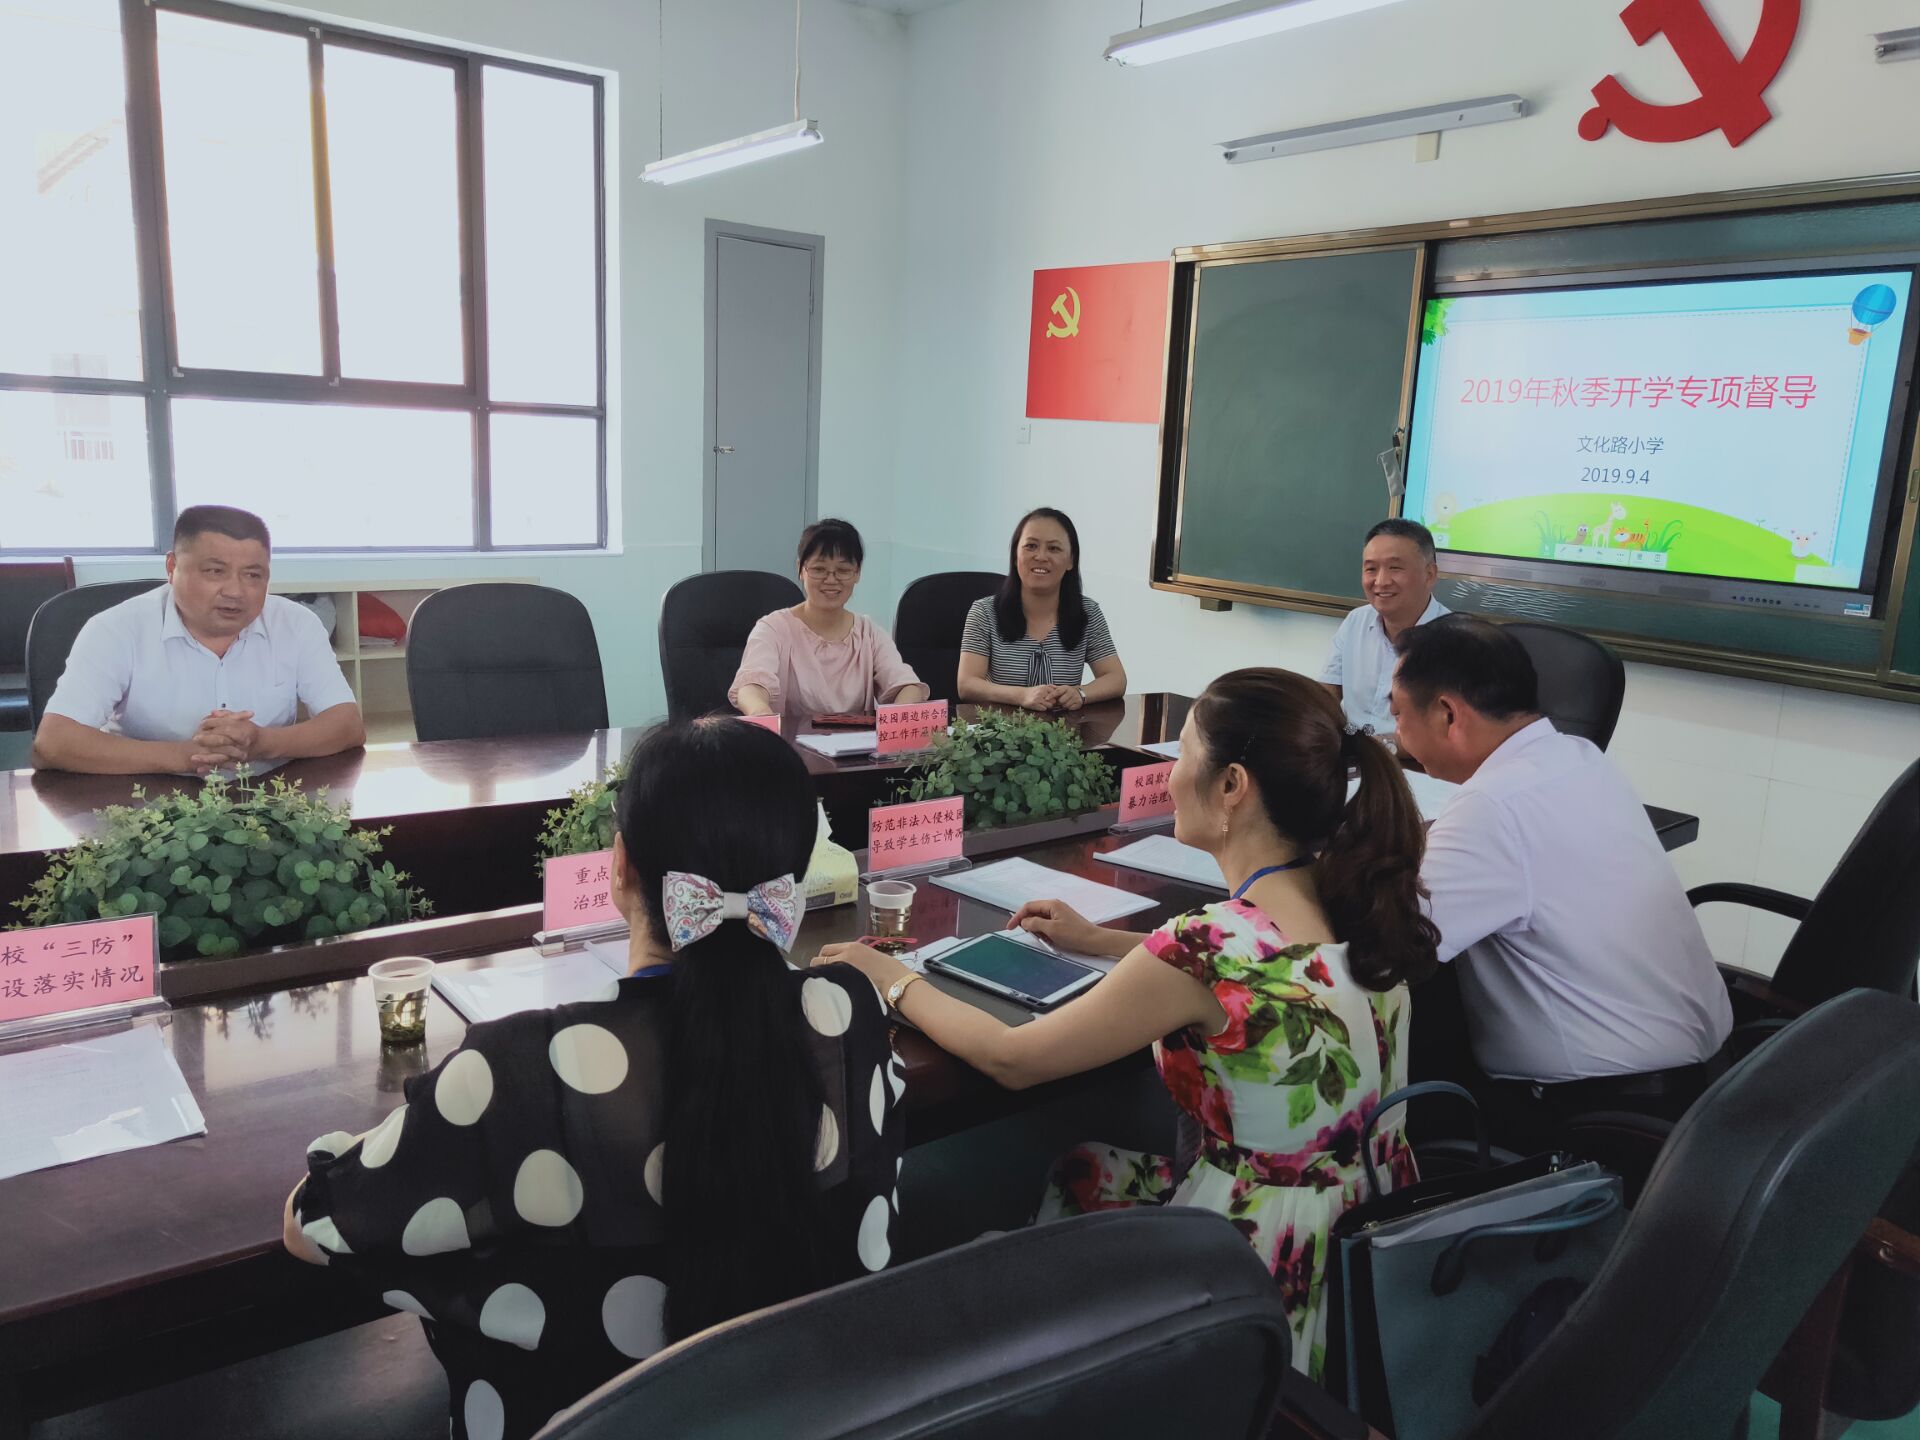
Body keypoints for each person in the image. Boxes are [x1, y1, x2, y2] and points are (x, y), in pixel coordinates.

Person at [284, 719, 905, 1440]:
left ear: (620, 866)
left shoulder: (512, 1070)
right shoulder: (854, 1015)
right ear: (793, 879)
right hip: (809, 1414)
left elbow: (316, 1224)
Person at [816, 668, 1437, 1381]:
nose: (1170, 775)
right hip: (1374, 1241)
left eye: (1185, 752)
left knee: (1073, 1180)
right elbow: (1263, 976)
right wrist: (1104, 941)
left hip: (1253, 1258)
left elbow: (1013, 1057)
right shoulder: (1359, 906)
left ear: (1232, 786)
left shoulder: (1206, 947)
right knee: (1083, 1168)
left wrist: (889, 978)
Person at [1390, 615, 1733, 1140]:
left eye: (1398, 713)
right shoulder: (1577, 756)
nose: (1396, 734)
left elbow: (1391, 948)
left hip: (1599, 1115)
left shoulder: (1491, 808)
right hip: (1705, 1077)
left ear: (1447, 714)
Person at [31, 505, 363, 775]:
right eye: (215, 571)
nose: (235, 591)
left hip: (266, 800)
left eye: (253, 575)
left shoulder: (297, 624)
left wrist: (262, 743)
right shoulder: (115, 629)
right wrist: (188, 756)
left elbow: (347, 726)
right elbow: (55, 742)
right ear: (172, 567)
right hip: (145, 804)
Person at [729, 518, 928, 719]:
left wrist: (899, 716)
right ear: (801, 569)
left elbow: (907, 685)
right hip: (787, 739)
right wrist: (760, 712)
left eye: (843, 571)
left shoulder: (869, 633)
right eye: (819, 569)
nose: (831, 580)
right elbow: (751, 685)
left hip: (857, 740)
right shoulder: (773, 629)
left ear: (857, 573)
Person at [957, 507, 1126, 712]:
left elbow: (1116, 678)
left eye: (1054, 548)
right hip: (1001, 729)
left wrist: (1081, 693)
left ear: (1071, 560)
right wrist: (1022, 696)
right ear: (1015, 555)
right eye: (1031, 546)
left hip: (1064, 730)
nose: (1041, 556)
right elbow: (967, 685)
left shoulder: (1087, 612)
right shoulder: (984, 612)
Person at [1319, 518, 1449, 740]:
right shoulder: (1356, 621)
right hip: (1351, 749)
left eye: (1395, 568)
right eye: (1371, 569)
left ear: (1430, 574)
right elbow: (1326, 694)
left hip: (1414, 758)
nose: (1380, 581)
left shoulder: (1456, 640)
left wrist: (1382, 746)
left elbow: (1447, 733)